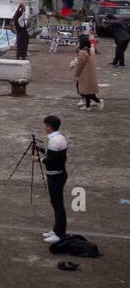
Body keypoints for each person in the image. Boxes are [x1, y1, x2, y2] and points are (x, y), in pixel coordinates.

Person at [32, 115, 68, 243]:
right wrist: (41, 150)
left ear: (50, 127)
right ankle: (56, 229)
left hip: (56, 175)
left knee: (58, 205)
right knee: (56, 204)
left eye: (46, 125)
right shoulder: (59, 138)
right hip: (58, 174)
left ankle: (59, 234)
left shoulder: (54, 141)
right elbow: (54, 155)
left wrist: (38, 159)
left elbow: (52, 160)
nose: (45, 128)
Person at [73, 35, 103, 110]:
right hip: (90, 73)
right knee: (88, 90)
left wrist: (76, 75)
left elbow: (79, 65)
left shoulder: (82, 52)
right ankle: (88, 106)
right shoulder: (90, 50)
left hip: (85, 74)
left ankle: (98, 101)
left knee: (86, 90)